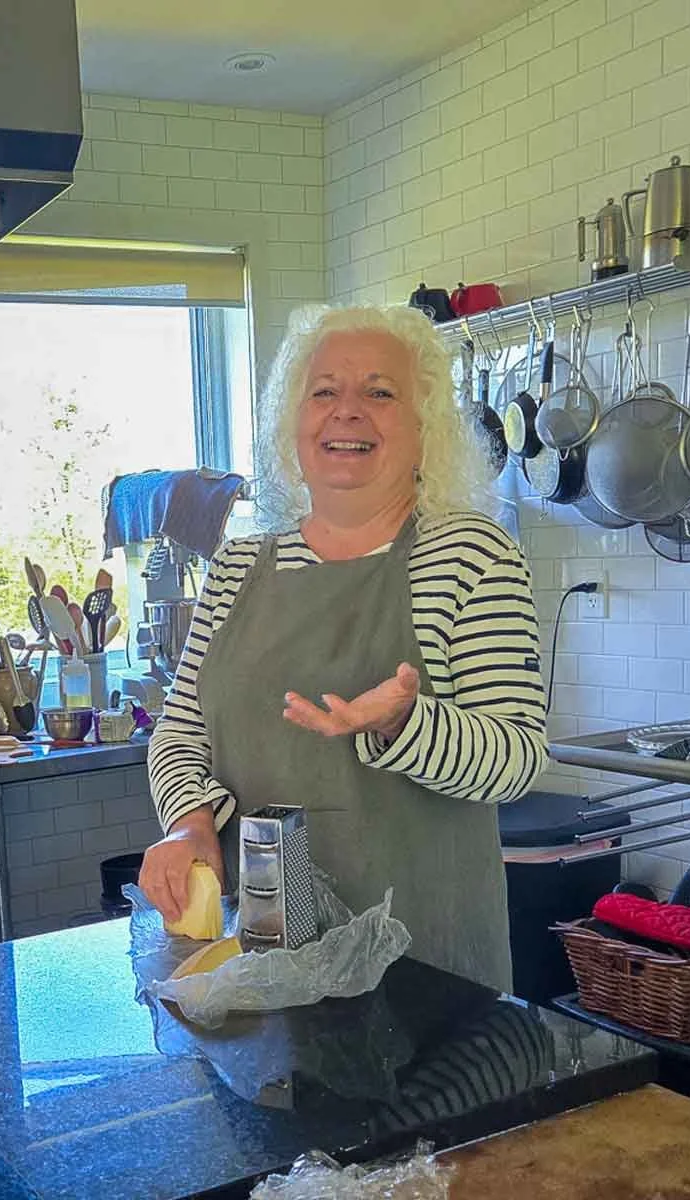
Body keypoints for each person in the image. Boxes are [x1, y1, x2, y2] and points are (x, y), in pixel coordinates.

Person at [139, 304, 547, 990]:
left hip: (424, 976)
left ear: (424, 430)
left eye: (380, 393)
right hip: (264, 965)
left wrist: (405, 725)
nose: (347, 412)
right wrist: (188, 823)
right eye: (324, 391)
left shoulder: (471, 554)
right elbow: (180, 735)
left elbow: (517, 761)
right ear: (292, 424)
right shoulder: (238, 567)